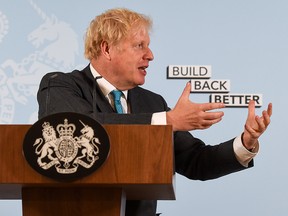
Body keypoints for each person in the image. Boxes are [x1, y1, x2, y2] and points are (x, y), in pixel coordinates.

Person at [37, 8, 272, 216]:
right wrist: (168, 120)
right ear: (107, 48)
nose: (150, 55)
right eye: (140, 46)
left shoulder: (152, 103)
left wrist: (245, 143)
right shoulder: (60, 85)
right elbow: (75, 128)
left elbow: (196, 161)